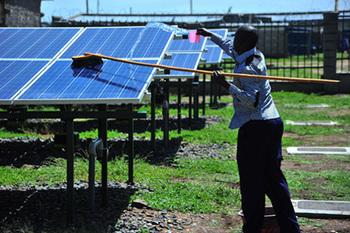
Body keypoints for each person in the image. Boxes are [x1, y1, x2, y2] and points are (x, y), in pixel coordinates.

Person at [197, 26, 301, 233]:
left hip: (256, 127)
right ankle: (290, 228)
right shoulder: (254, 54)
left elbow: (251, 101)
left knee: (251, 181)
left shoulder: (247, 67)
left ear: (244, 42)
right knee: (273, 180)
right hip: (271, 123)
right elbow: (229, 47)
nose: (233, 40)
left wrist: (225, 85)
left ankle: (253, 227)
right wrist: (210, 35)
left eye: (237, 38)